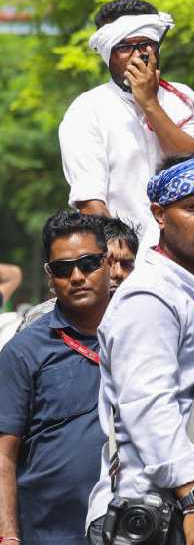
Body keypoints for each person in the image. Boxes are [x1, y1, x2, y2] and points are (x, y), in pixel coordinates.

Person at [85, 156, 194, 544]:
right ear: (159, 214)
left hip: (179, 515)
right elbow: (148, 404)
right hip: (162, 515)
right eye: (192, 207)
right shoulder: (150, 296)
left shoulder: (185, 290)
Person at [0, 211, 111, 544]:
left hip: (138, 528)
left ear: (108, 263)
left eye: (89, 263)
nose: (77, 276)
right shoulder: (23, 352)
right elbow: (4, 455)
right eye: (63, 269)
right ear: (50, 277)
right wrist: (8, 536)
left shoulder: (144, 335)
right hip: (50, 533)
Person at [59, 0, 194, 243]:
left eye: (146, 44)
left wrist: (150, 104)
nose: (138, 56)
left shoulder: (183, 99)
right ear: (109, 55)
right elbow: (91, 203)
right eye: (125, 47)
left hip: (187, 250)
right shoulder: (86, 110)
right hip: (125, 257)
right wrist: (122, 257)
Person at [17, 217, 139, 331]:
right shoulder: (40, 322)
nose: (117, 273)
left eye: (126, 264)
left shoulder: (145, 314)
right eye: (109, 262)